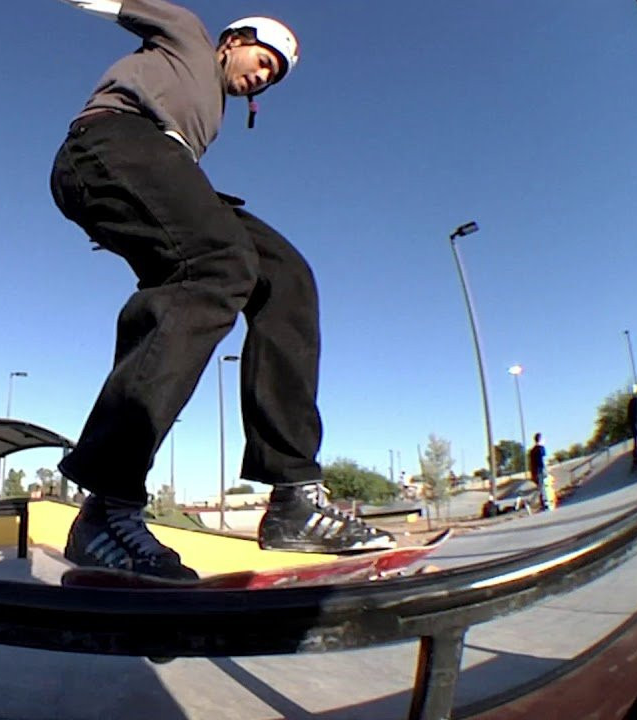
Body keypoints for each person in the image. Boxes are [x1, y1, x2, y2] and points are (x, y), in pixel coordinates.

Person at [49, 0, 394, 580]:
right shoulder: (185, 33)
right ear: (233, 40)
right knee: (217, 266)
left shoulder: (212, 115)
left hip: (170, 171)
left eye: (273, 77)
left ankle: (293, 499)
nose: (263, 76)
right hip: (110, 144)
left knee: (284, 275)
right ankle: (107, 504)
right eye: (264, 60)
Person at [528, 433, 553, 510]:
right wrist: (546, 470)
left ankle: (543, 503)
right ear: (540, 439)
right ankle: (545, 503)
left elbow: (531, 463)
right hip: (541, 470)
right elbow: (543, 460)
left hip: (535, 472)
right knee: (543, 488)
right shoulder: (541, 448)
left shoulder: (532, 450)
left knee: (540, 488)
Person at [627, 387, 637, 473]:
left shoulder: (631, 402)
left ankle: (636, 456)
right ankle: (636, 456)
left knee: (636, 440)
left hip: (633, 423)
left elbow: (629, 415)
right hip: (636, 423)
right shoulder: (635, 401)